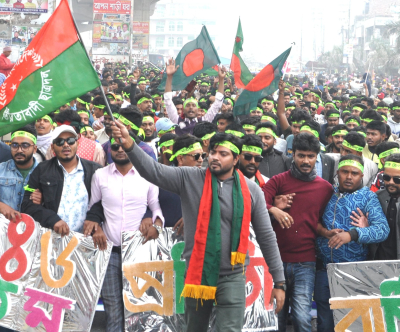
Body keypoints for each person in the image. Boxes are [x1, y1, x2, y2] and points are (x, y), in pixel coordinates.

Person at [110, 121, 286, 332]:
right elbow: (153, 171)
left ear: (236, 159)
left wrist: (279, 282)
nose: (214, 157)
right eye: (212, 152)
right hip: (197, 273)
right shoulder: (190, 177)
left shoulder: (252, 191)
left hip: (232, 276)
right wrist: (129, 143)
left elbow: (267, 237)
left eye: (223, 154)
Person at [89, 135, 164, 332]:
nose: (120, 149)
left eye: (124, 146)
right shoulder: (100, 175)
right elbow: (94, 207)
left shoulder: (147, 174)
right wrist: (96, 227)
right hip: (109, 252)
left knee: (138, 307)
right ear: (109, 150)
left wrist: (155, 222)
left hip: (138, 251)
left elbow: (155, 206)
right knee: (113, 307)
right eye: (115, 146)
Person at [262, 133, 333, 332]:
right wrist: (273, 209)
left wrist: (328, 233)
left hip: (305, 262)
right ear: (293, 155)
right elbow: (255, 204)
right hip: (275, 260)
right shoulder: (278, 181)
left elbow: (321, 220)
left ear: (317, 157)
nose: (305, 161)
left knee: (302, 318)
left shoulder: (325, 188)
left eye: (311, 156)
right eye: (301, 155)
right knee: (277, 318)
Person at [314, 155, 389, 332]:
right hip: (323, 268)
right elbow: (311, 220)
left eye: (354, 173)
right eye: (344, 172)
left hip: (352, 271)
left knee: (350, 321)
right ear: (337, 173)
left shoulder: (368, 198)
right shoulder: (326, 193)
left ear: (362, 175)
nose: (349, 176)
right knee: (324, 320)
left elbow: (382, 230)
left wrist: (353, 234)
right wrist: (323, 232)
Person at [20, 125, 105, 236]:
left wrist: (95, 218)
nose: (66, 145)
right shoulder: (42, 170)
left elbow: (105, 201)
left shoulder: (94, 170)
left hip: (85, 241)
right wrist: (52, 219)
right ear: (52, 147)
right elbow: (27, 204)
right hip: (52, 240)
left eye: (70, 141)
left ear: (77, 144)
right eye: (60, 142)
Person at [163, 59, 225, 134]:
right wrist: (169, 77)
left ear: (198, 110)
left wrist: (221, 79)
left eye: (193, 105)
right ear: (183, 110)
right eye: (188, 105)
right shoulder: (176, 121)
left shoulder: (203, 122)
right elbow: (168, 100)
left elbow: (217, 103)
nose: (191, 107)